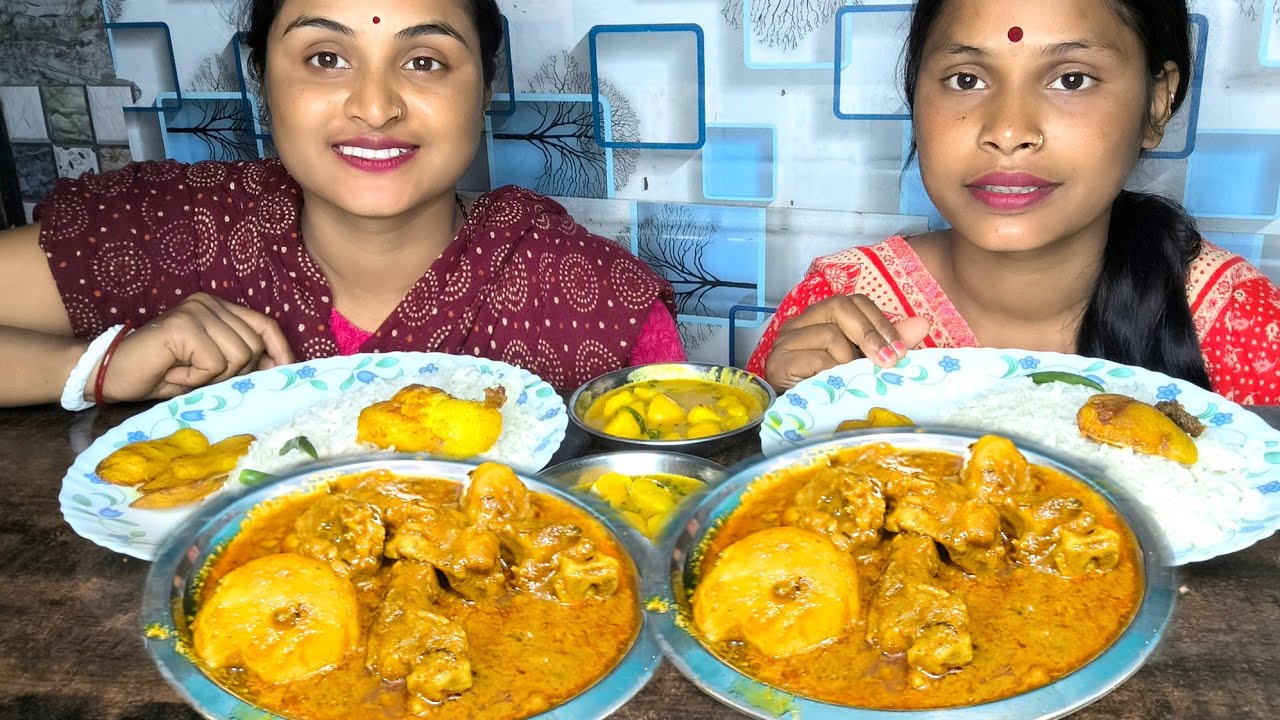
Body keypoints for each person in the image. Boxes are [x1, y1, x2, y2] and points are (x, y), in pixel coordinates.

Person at [0, 0, 682, 409]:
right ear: (261, 78)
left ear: (486, 86)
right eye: (326, 58)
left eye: (424, 61)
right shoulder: (167, 230)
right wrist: (91, 368)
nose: (376, 107)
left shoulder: (597, 301)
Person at [748, 0, 1280, 405]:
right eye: (966, 79)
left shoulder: (1239, 324)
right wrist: (792, 414)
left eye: (1072, 79)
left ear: (1158, 102)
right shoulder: (842, 305)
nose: (1007, 131)